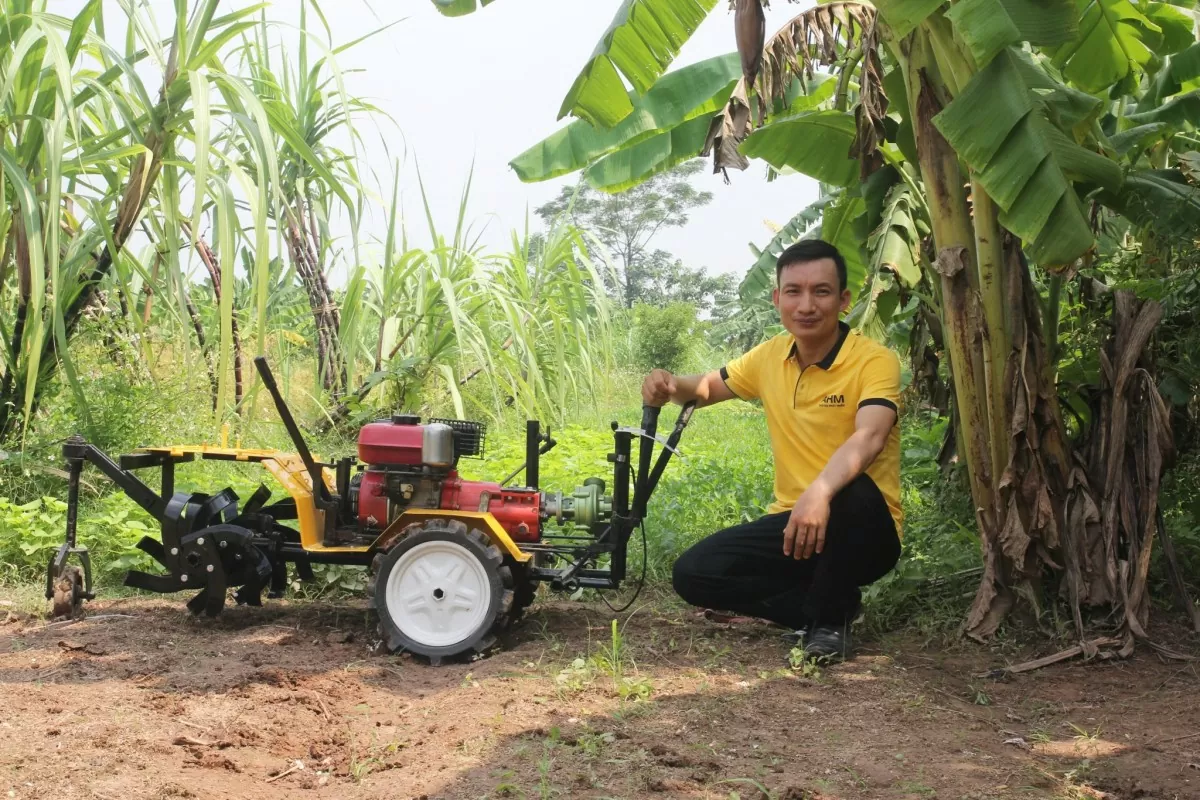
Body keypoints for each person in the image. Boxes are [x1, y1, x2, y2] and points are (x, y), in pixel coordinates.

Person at [641, 239, 902, 661]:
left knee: (852, 492)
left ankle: (829, 624)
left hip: (864, 531)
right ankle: (819, 609)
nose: (806, 305)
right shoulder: (769, 357)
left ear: (844, 300)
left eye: (821, 291)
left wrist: (819, 492)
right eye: (794, 292)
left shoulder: (874, 361)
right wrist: (670, 384)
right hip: (795, 523)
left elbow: (869, 436)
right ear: (777, 298)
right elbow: (707, 388)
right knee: (693, 573)